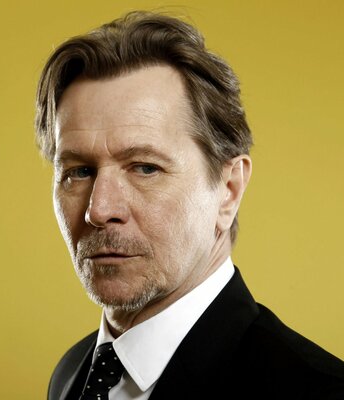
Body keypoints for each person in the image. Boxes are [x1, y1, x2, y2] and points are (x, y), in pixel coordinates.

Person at [35, 11, 344, 400]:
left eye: (145, 168)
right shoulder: (72, 373)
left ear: (228, 190)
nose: (99, 210)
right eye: (79, 172)